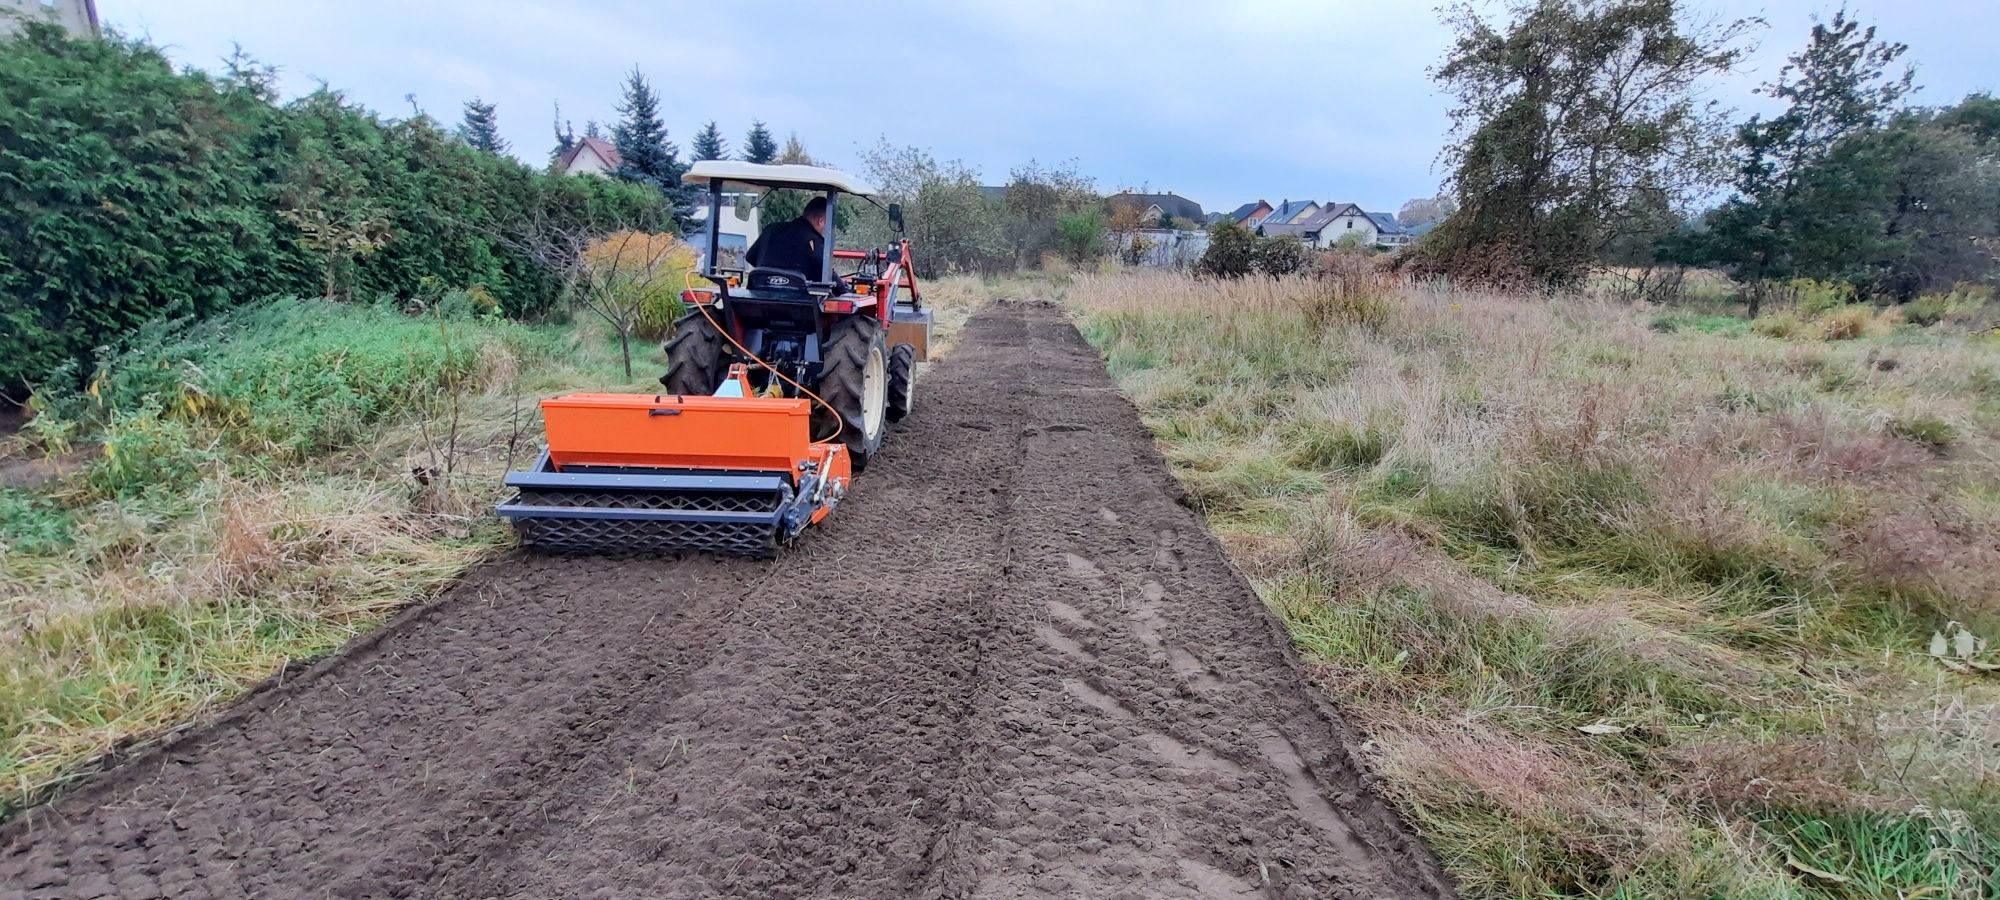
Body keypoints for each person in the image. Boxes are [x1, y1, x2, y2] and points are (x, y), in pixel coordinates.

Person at [746, 195, 828, 281]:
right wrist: (841, 289)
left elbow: (750, 256)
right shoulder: (814, 241)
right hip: (796, 293)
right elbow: (826, 273)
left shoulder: (770, 230)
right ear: (821, 221)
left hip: (760, 289)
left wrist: (769, 276)